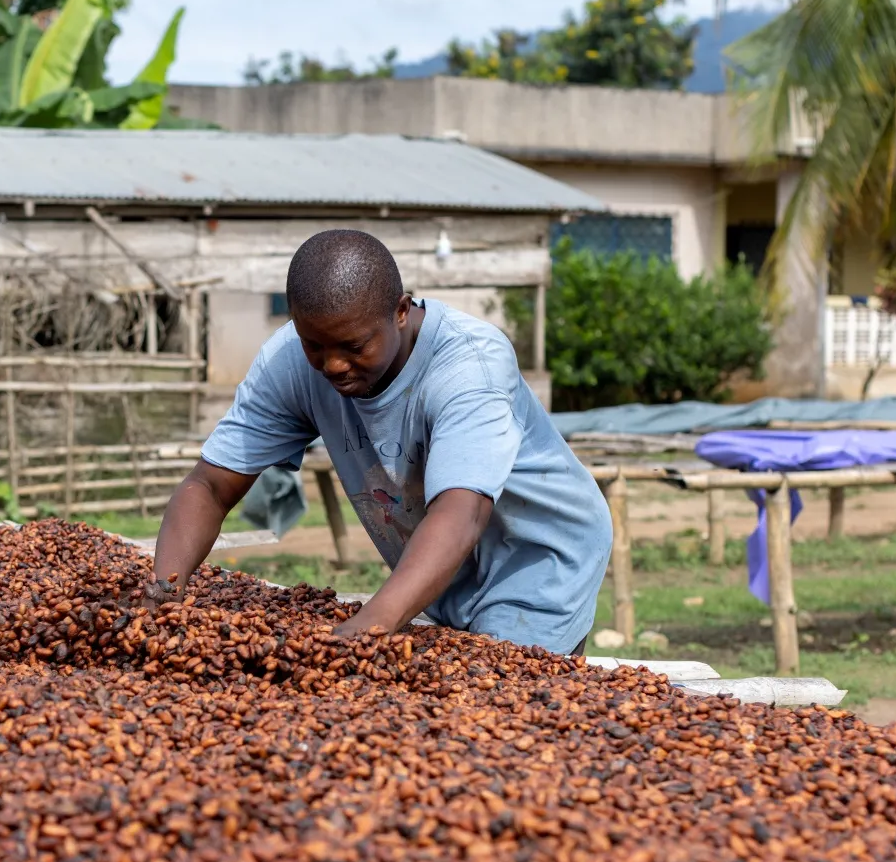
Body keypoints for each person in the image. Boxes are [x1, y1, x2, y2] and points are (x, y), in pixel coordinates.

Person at [151, 229, 611, 655]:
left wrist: (365, 628)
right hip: (447, 564)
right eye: (315, 345)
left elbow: (460, 512)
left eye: (354, 347)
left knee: (504, 703)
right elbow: (210, 486)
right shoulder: (290, 360)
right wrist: (164, 593)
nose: (332, 365)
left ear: (401, 311)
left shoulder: (470, 366)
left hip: (536, 556)